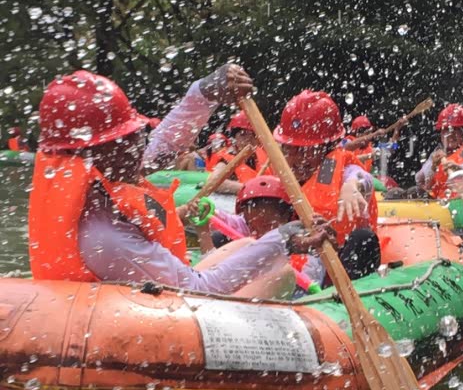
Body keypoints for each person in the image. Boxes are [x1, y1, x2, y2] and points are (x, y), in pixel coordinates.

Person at [28, 64, 332, 295]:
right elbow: (200, 289)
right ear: (96, 154)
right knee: (283, 275)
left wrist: (204, 93)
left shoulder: (95, 184)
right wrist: (283, 240)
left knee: (249, 245)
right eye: (128, 138)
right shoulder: (104, 238)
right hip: (173, 310)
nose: (139, 142)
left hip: (163, 295)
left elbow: (160, 152)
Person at [272, 90, 381, 280]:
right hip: (298, 264)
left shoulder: (341, 169)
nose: (298, 159)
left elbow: (362, 177)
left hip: (339, 261)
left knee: (363, 238)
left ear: (326, 148)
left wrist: (353, 186)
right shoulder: (284, 178)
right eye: (292, 150)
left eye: (306, 151)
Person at [202, 175, 326, 291]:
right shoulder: (245, 229)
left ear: (289, 216)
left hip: (287, 297)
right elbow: (224, 220)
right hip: (239, 292)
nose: (259, 231)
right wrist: (204, 222)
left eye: (267, 224)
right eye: (253, 224)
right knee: (222, 239)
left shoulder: (307, 249)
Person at [415, 103, 463, 199]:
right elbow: (420, 181)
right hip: (440, 204)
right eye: (446, 130)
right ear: (440, 134)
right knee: (410, 192)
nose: (450, 135)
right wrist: (433, 168)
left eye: (455, 130)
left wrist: (460, 168)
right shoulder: (437, 153)